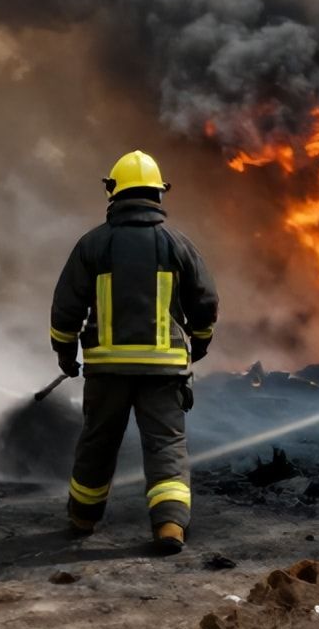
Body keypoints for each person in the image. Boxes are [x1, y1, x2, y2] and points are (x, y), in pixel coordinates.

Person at [49, 150, 218, 554]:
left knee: (98, 443)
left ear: (113, 192)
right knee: (166, 447)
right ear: (158, 195)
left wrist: (64, 351)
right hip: (164, 375)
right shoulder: (177, 245)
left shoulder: (93, 245)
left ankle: (83, 518)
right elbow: (205, 302)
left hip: (106, 373)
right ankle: (170, 528)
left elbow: (65, 307)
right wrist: (200, 340)